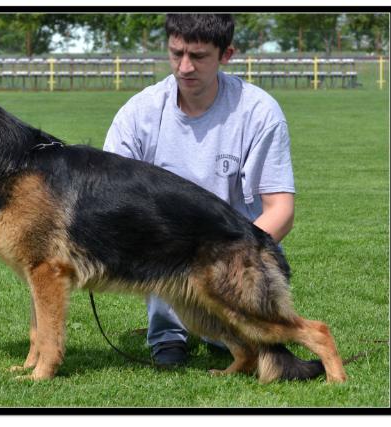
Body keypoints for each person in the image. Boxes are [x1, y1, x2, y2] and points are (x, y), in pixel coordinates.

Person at [103, 14, 296, 366]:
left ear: (227, 54)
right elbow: (109, 197)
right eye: (176, 54)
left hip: (234, 255)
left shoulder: (259, 112)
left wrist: (229, 262)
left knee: (248, 336)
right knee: (172, 240)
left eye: (199, 56)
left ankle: (233, 335)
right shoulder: (139, 113)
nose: (185, 67)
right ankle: (168, 336)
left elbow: (281, 209)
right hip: (170, 255)